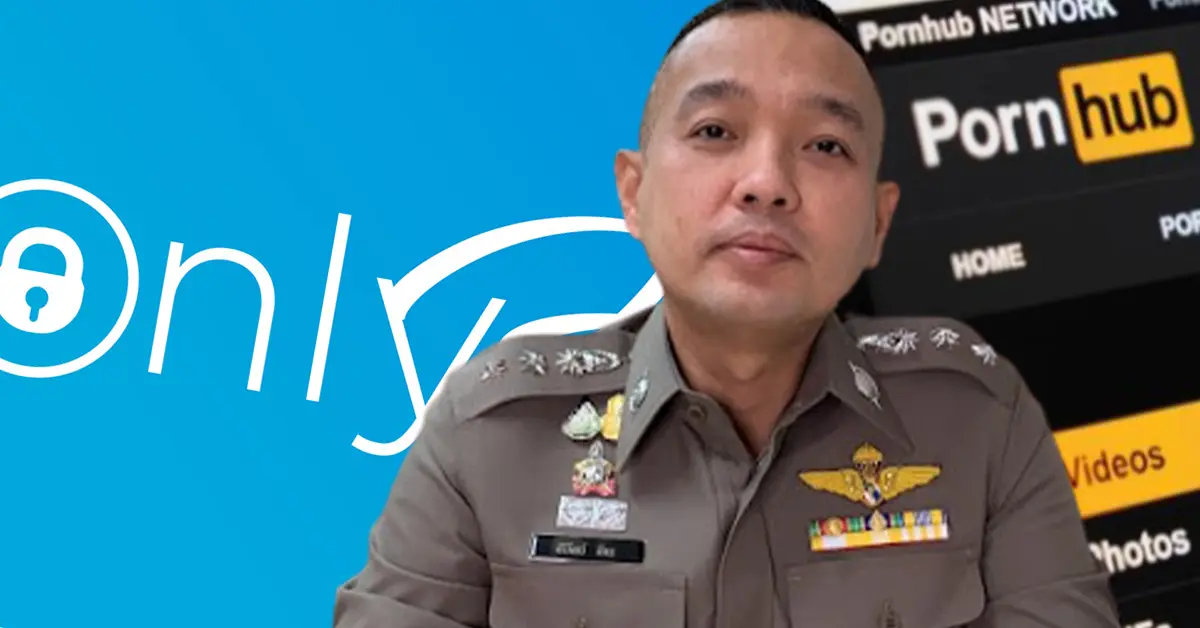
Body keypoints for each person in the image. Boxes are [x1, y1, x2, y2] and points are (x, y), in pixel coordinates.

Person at [333, 1, 1121, 626]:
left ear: (878, 226)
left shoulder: (977, 420)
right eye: (715, 131)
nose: (766, 182)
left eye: (825, 146)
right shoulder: (490, 433)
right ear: (634, 192)